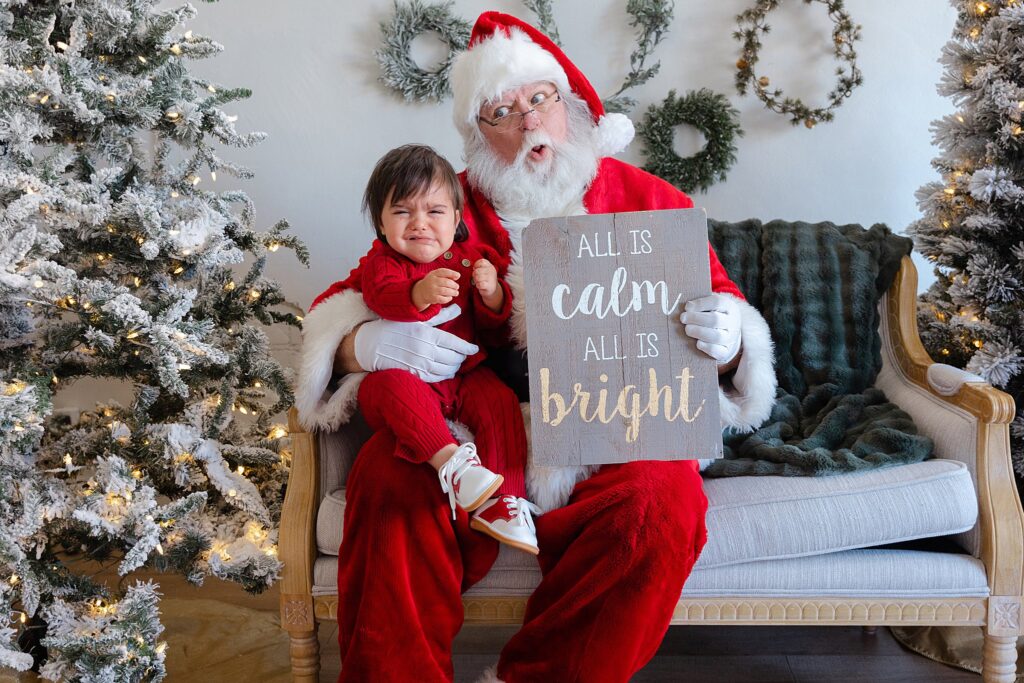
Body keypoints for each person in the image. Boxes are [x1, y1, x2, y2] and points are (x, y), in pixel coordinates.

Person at [296, 11, 777, 683]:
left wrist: (727, 340)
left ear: (569, 105)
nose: (526, 122)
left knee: (662, 501)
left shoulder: (643, 197)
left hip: (618, 422)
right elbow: (353, 296)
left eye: (538, 100)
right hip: (479, 419)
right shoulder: (442, 207)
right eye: (501, 110)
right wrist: (363, 344)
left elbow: (721, 310)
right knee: (387, 475)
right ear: (476, 134)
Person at [356, 143, 540, 554]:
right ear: (381, 224)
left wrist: (492, 294)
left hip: (466, 372)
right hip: (409, 376)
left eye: (434, 211)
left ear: (456, 219)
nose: (419, 223)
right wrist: (416, 292)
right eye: (403, 211)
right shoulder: (383, 261)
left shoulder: (470, 258)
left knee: (501, 404)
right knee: (383, 387)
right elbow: (382, 295)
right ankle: (452, 465)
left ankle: (504, 502)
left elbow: (497, 326)